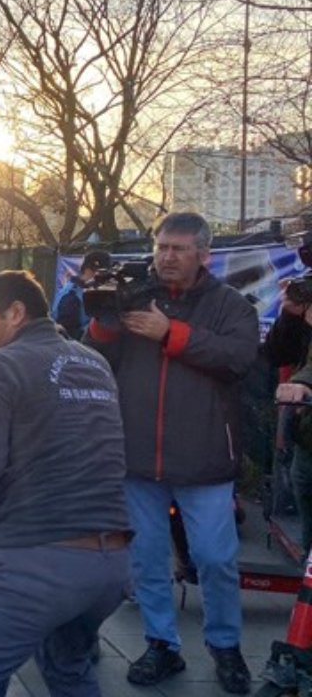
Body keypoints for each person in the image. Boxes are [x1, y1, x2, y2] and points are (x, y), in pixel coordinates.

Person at [0, 271, 130, 697]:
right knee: (68, 669)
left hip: (39, 562)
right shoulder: (93, 362)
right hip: (110, 565)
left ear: (17, 312)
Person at [85, 213, 258, 694]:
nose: (167, 257)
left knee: (215, 558)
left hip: (204, 460)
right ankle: (161, 645)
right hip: (138, 456)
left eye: (178, 249)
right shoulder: (138, 294)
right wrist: (104, 321)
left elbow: (239, 358)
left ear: (204, 254)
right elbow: (95, 358)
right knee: (145, 557)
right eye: (162, 247)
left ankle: (225, 647)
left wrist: (170, 333)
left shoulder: (229, 306)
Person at [269, 279, 312, 552]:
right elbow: (276, 353)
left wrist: (305, 383)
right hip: (306, 436)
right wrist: (289, 315)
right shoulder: (301, 318)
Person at [52, 250, 112, 340]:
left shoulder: (87, 290)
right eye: (103, 274)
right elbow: (67, 336)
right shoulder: (72, 296)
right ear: (88, 270)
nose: (107, 279)